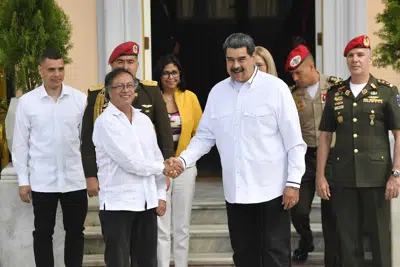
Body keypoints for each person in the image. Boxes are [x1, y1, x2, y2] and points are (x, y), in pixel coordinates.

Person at [169, 33, 307, 267]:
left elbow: (294, 142)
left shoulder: (276, 89)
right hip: (236, 192)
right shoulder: (217, 93)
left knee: (275, 254)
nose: (235, 65)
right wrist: (182, 161)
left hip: (272, 191)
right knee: (243, 255)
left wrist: (293, 183)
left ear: (253, 57)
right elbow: (204, 137)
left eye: (241, 59)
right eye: (230, 60)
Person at [317, 35, 400, 267]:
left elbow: (398, 134)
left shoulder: (386, 91)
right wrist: (320, 175)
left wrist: (396, 173)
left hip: (377, 178)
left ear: (370, 59)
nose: (355, 60)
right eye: (351, 56)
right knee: (348, 239)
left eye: (360, 55)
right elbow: (325, 137)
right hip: (343, 177)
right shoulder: (335, 93)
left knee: (380, 238)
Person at [93, 68, 179, 267]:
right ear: (108, 91)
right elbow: (130, 163)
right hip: (118, 204)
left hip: (146, 204)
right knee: (118, 262)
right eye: (119, 86)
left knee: (147, 262)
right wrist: (164, 168)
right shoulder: (105, 123)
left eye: (130, 85)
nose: (126, 90)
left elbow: (155, 156)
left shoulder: (144, 120)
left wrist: (160, 195)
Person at [12, 48, 88, 267]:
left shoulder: (79, 99)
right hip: (42, 181)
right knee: (43, 233)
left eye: (61, 69)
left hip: (75, 179)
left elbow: (87, 141)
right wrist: (23, 181)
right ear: (41, 70)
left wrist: (91, 175)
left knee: (76, 232)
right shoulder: (27, 102)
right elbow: (20, 144)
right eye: (52, 69)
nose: (57, 74)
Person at [81, 41, 174, 207]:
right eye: (120, 62)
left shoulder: (150, 91)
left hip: (149, 174)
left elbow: (164, 133)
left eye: (130, 62)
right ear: (111, 65)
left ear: (137, 65)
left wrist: (165, 170)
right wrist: (90, 175)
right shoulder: (97, 95)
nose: (125, 66)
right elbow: (87, 138)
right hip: (114, 179)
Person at [285, 45, 342, 266]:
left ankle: (334, 258)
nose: (295, 77)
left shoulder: (337, 87)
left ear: (312, 67)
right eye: (292, 74)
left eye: (298, 72)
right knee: (298, 211)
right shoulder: (292, 94)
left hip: (333, 156)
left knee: (332, 212)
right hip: (306, 157)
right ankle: (306, 240)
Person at [153, 54, 202, 267]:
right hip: (158, 168)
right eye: (166, 73)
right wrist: (163, 162)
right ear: (159, 75)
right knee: (161, 226)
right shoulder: (152, 97)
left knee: (182, 226)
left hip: (185, 167)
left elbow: (200, 134)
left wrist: (180, 159)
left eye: (174, 72)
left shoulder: (190, 97)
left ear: (180, 74)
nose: (170, 77)